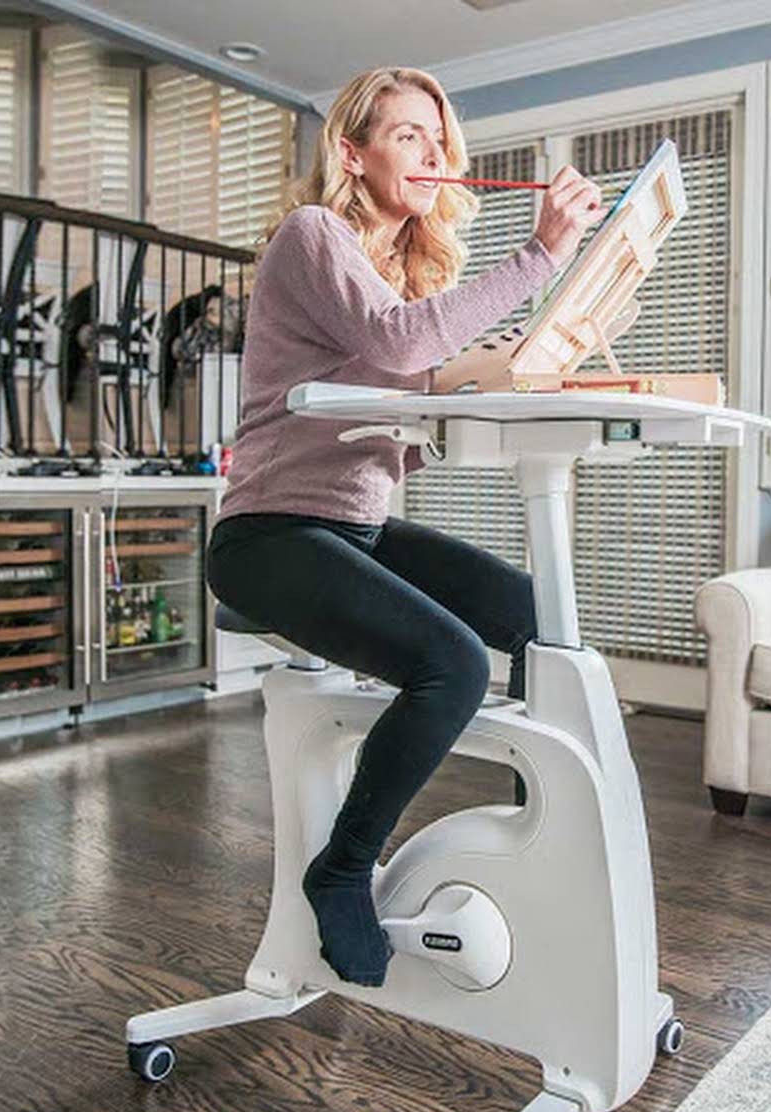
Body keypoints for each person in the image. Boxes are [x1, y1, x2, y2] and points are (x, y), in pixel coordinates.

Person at [206, 67, 604, 988]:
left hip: (353, 528)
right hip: (269, 535)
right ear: (354, 153)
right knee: (455, 662)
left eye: (440, 140)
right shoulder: (315, 237)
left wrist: (478, 385)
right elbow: (397, 345)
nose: (434, 155)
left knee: (536, 617)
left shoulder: (384, 280)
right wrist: (539, 258)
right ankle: (342, 867)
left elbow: (391, 426)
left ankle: (534, 838)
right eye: (409, 137)